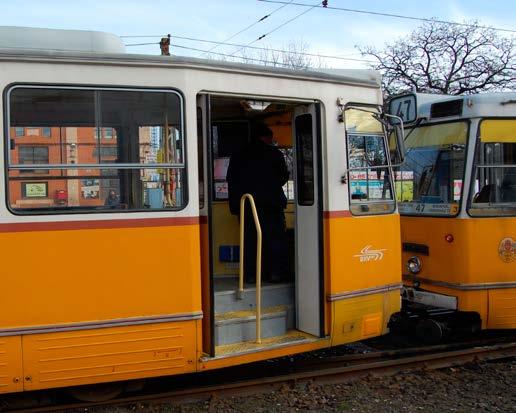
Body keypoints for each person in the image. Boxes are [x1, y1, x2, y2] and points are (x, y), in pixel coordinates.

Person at [226, 122, 289, 284]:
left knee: (249, 240)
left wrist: (235, 206)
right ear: (266, 137)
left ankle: (250, 275)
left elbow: (231, 180)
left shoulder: (238, 154)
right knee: (274, 239)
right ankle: (274, 273)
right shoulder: (274, 154)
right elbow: (283, 177)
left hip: (246, 205)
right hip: (271, 205)